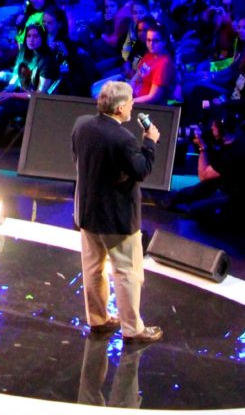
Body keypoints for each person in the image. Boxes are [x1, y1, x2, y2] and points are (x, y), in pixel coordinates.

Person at [71, 80, 162, 344]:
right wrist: (150, 143)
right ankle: (133, 329)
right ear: (121, 107)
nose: (134, 104)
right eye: (132, 101)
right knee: (127, 274)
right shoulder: (124, 138)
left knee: (93, 270)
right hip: (117, 220)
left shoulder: (81, 125)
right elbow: (141, 170)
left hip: (88, 213)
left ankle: (98, 319)